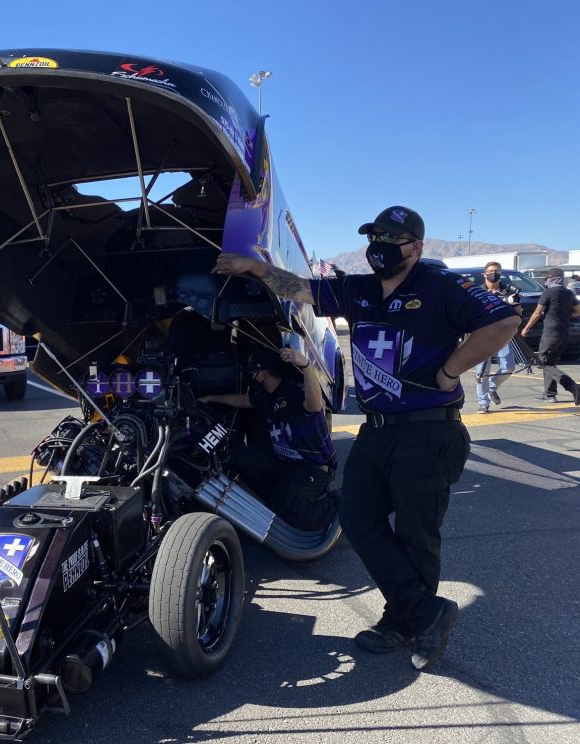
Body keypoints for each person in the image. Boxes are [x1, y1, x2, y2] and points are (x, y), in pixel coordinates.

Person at [212, 205, 520, 671]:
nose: (378, 246)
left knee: (416, 533)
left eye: (389, 238)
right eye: (373, 236)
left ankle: (402, 622)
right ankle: (424, 611)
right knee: (356, 517)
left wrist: (451, 369)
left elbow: (503, 320)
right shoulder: (358, 289)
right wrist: (253, 266)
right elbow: (299, 288)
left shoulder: (439, 286)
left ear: (415, 246)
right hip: (376, 430)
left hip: (427, 429)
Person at [199, 345, 338, 531]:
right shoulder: (269, 396)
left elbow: (314, 405)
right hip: (284, 464)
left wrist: (306, 367)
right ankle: (276, 498)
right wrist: (211, 398)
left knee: (292, 515)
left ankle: (341, 502)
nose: (253, 379)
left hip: (312, 468)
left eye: (255, 374)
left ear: (264, 373)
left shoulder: (294, 392)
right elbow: (245, 400)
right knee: (237, 457)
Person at [520, 266, 580, 401]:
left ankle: (573, 386)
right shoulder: (569, 293)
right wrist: (564, 314)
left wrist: (526, 328)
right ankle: (549, 394)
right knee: (550, 362)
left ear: (550, 278)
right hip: (564, 332)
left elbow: (537, 313)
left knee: (544, 363)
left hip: (550, 332)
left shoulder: (548, 292)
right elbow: (578, 311)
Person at [473, 262, 521, 413]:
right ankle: (483, 402)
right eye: (491, 271)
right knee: (482, 370)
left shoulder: (508, 291)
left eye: (497, 271)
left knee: (508, 366)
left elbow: (518, 310)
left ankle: (492, 387)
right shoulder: (477, 291)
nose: (494, 273)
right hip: (482, 335)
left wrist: (516, 325)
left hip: (504, 334)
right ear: (484, 273)